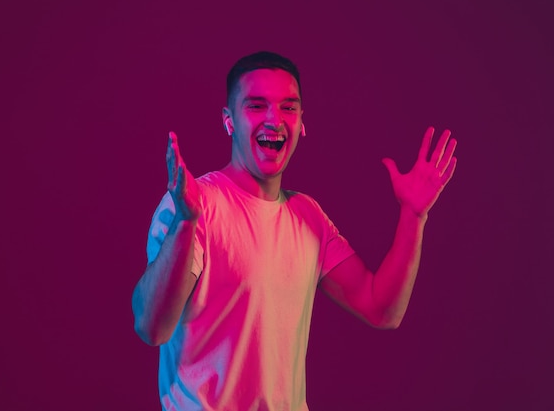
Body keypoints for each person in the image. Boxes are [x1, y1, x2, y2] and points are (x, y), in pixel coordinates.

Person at [132, 51, 457, 411]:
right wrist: (186, 223)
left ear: (302, 122)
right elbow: (152, 327)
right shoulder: (195, 204)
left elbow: (382, 309)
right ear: (229, 121)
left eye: (288, 107)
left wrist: (414, 216)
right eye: (256, 106)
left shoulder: (309, 217)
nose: (274, 119)